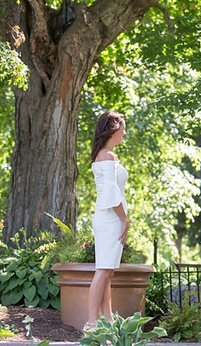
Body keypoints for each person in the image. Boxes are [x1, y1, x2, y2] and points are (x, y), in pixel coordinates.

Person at [85, 111, 130, 331]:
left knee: (108, 271)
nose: (125, 132)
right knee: (102, 270)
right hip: (110, 219)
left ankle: (108, 319)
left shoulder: (106, 155)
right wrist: (125, 220)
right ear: (114, 129)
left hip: (111, 218)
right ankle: (92, 323)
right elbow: (112, 195)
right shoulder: (107, 156)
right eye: (123, 128)